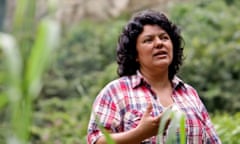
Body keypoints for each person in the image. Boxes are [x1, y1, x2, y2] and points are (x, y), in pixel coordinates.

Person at [87, 9, 221, 144]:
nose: (159, 43)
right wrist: (139, 134)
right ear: (135, 54)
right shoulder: (116, 92)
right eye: (148, 40)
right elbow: (96, 140)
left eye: (164, 38)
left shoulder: (190, 94)